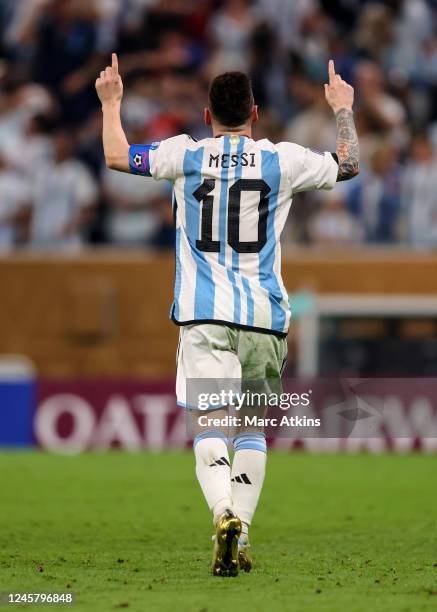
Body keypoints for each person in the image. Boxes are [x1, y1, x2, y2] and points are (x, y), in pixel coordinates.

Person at [96, 53, 359, 577]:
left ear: (206, 114)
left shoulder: (183, 155)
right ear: (256, 113)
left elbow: (119, 157)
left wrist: (112, 102)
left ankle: (222, 514)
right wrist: (342, 109)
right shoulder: (282, 159)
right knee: (253, 432)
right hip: (264, 317)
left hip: (204, 317)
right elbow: (348, 163)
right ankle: (241, 530)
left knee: (210, 427)